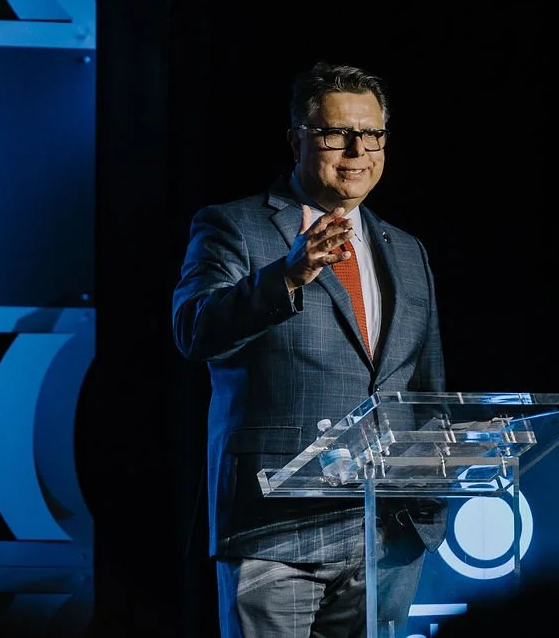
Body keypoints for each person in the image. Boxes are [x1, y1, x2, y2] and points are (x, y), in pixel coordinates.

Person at [172, 61, 447, 637]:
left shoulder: (406, 249)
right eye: (334, 133)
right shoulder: (235, 226)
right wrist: (288, 276)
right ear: (295, 139)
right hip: (276, 525)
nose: (357, 150)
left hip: (385, 531)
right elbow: (195, 330)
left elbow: (427, 390)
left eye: (372, 134)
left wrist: (427, 508)